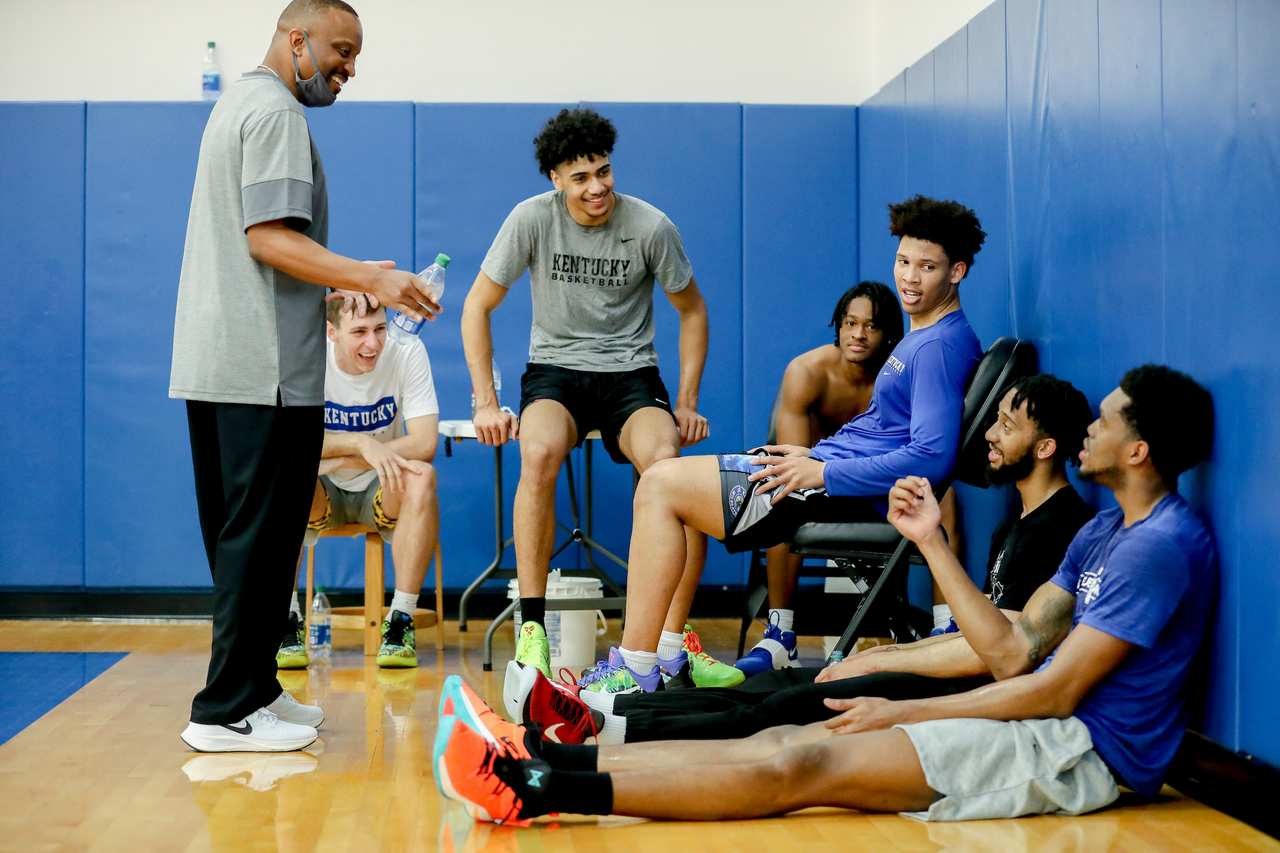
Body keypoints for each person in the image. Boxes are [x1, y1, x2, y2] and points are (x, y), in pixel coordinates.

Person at [437, 364, 1218, 825]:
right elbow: (1017, 646)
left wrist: (900, 707)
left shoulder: (1157, 548)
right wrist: (928, 553)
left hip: (1081, 754)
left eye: (1107, 419)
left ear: (1140, 448)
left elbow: (1053, 691)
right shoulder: (1107, 530)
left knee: (797, 761)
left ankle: (532, 787)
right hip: (1044, 720)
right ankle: (541, 759)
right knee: (772, 741)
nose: (1091, 429)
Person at [507, 373, 1096, 746]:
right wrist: (891, 652)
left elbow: (1005, 652)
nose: (987, 434)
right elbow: (984, 634)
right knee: (783, 682)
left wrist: (877, 666)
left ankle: (603, 726)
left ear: (1045, 448)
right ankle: (595, 710)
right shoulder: (1015, 521)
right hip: (935, 670)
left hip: (957, 699)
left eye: (1006, 426)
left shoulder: (1060, 529)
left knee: (775, 708)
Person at [563, 195, 986, 695]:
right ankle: (667, 656)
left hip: (832, 489)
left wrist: (823, 473)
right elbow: (887, 431)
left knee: (659, 486)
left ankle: (636, 668)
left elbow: (933, 457)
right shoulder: (924, 335)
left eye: (928, 267)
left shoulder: (938, 345)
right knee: (671, 490)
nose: (910, 278)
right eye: (903, 261)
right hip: (821, 471)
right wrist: (813, 455)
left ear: (957, 271)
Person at [170, 0, 441, 753]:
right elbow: (268, 238)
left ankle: (256, 689)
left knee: (259, 534)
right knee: (254, 541)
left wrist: (333, 289)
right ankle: (224, 707)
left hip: (234, 362)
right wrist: (366, 278)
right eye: (340, 50)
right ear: (298, 40)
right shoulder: (279, 115)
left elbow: (250, 247)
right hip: (260, 373)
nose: (349, 68)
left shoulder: (241, 105)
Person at [460, 107, 718, 683]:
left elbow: (693, 310)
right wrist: (484, 400)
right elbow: (476, 307)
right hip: (556, 369)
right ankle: (532, 631)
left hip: (631, 374)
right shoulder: (531, 220)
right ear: (555, 179)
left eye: (603, 171)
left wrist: (687, 400)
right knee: (538, 452)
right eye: (580, 177)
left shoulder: (651, 227)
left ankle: (672, 642)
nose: (597, 187)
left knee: (669, 466)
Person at [736, 281, 963, 674]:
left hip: (878, 484)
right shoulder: (807, 373)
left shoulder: (901, 376)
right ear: (838, 326)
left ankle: (946, 626)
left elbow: (914, 455)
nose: (858, 335)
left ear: (890, 333)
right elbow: (795, 465)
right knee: (779, 492)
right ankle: (780, 635)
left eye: (871, 326)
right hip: (819, 483)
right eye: (850, 323)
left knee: (944, 497)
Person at [276, 300, 439, 671]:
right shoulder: (309, 357)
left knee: (423, 477)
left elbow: (426, 442)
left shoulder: (407, 349)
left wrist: (351, 453)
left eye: (380, 329)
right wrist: (359, 443)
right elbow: (290, 446)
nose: (374, 343)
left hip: (384, 485)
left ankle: (400, 621)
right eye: (360, 332)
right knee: (283, 476)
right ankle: (285, 619)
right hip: (321, 489)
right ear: (331, 333)